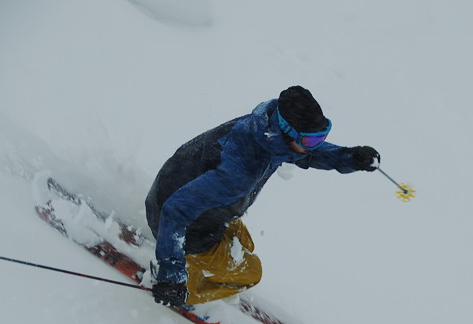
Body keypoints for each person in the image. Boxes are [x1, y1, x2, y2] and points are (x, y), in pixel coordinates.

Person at [145, 86, 380, 307]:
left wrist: (351, 157)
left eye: (321, 137)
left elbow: (307, 155)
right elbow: (175, 210)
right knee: (250, 274)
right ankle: (185, 294)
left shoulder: (266, 132)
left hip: (198, 206)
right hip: (183, 224)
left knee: (244, 242)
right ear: (287, 132)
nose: (315, 145)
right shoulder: (240, 170)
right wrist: (171, 275)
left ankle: (188, 267)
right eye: (310, 140)